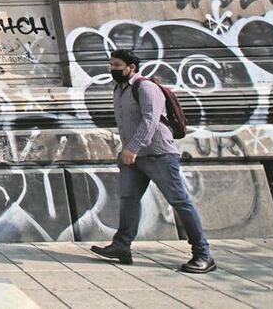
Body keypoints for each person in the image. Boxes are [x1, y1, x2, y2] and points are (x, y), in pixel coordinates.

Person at [90, 49, 216, 274]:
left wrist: (132, 148)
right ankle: (121, 245)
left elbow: (150, 121)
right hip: (133, 157)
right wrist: (127, 151)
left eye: (117, 65)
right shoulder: (119, 90)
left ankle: (203, 254)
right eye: (110, 65)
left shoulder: (146, 87)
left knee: (179, 202)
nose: (113, 70)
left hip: (159, 155)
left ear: (132, 67)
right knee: (128, 199)